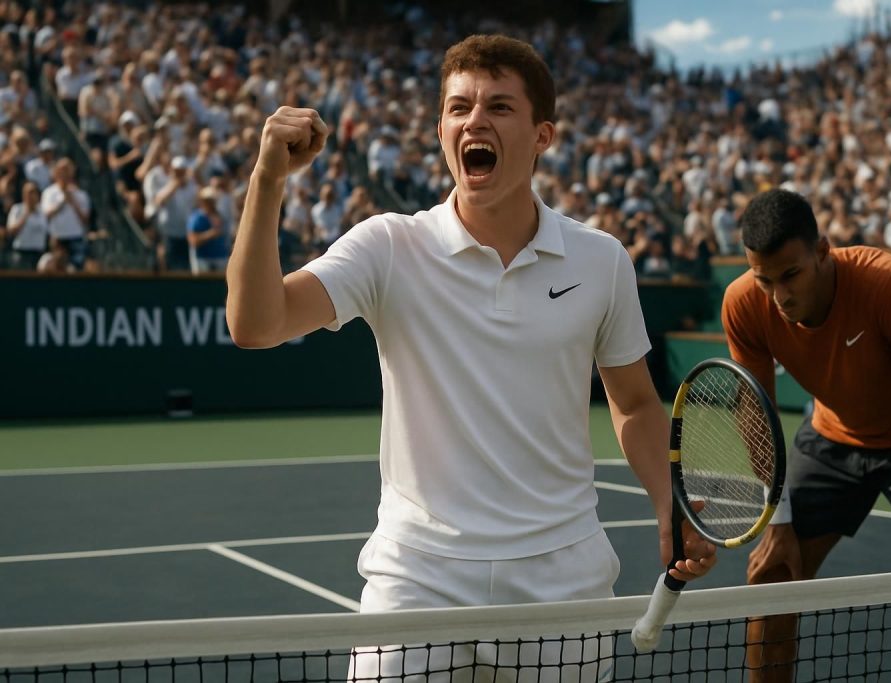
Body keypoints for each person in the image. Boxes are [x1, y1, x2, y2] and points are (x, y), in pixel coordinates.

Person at [225, 34, 716, 680]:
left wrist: (665, 500)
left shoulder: (602, 261)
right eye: (459, 108)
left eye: (498, 107)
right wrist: (267, 180)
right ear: (440, 129)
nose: (474, 121)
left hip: (561, 578)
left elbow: (632, 402)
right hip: (417, 577)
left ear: (543, 135)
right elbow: (256, 323)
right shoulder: (389, 246)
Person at [721, 189, 891, 682]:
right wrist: (776, 517)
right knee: (774, 582)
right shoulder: (743, 304)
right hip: (831, 440)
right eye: (765, 280)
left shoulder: (889, 284)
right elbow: (756, 410)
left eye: (791, 275)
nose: (780, 296)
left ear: (822, 251)